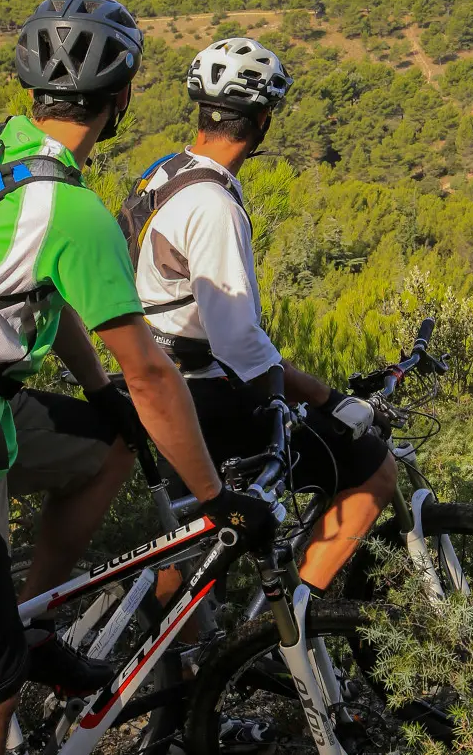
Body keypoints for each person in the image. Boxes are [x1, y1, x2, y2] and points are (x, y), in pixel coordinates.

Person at [0, 0, 273, 755]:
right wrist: (215, 499)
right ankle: (7, 653)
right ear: (124, 97)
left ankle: (30, 619)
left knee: (110, 445)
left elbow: (49, 298)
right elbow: (154, 375)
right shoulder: (71, 211)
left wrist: (102, 399)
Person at [129, 37, 398, 601]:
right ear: (264, 121)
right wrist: (330, 400)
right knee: (373, 469)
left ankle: (178, 665)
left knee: (185, 541)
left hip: (158, 379)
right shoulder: (214, 206)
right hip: (203, 394)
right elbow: (240, 345)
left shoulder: (164, 175)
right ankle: (293, 624)